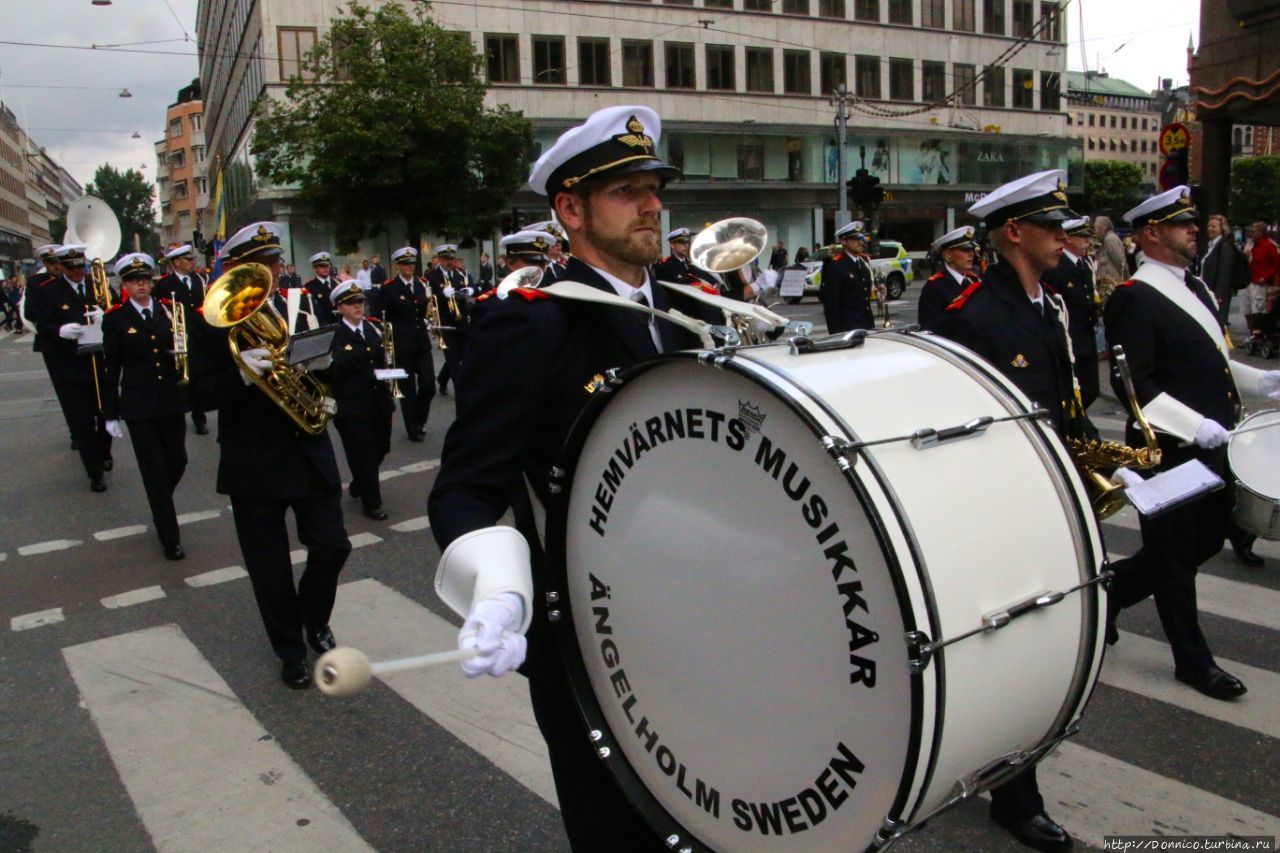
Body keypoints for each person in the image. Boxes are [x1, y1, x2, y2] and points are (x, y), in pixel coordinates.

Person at [427, 104, 724, 850]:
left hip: (708, 619)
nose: (653, 203)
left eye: (655, 186)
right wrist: (495, 588)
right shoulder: (531, 321)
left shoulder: (691, 311)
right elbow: (464, 484)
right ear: (571, 210)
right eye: (627, 190)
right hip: (597, 644)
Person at [936, 169, 1083, 853]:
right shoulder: (970, 312)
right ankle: (1014, 795)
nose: (1064, 237)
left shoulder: (1053, 301)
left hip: (1053, 498)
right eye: (1052, 227)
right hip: (997, 509)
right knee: (1012, 651)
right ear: (1013, 232)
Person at [1104, 188, 1280, 700]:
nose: (1194, 230)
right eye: (1182, 225)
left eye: (1193, 224)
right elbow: (1134, 383)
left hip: (1214, 444)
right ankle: (1193, 662)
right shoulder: (1132, 296)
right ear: (1151, 234)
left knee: (1205, 541)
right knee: (1176, 555)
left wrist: (1259, 382)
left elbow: (1215, 364)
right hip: (1168, 452)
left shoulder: (1195, 286)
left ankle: (1112, 592)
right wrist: (1193, 424)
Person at [187, 221, 351, 689]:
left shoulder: (301, 306)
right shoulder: (208, 320)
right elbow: (197, 394)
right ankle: (289, 649)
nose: (273, 272)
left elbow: (325, 370)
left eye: (276, 262)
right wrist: (241, 376)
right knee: (269, 564)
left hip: (307, 447)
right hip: (253, 456)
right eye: (261, 265)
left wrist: (325, 372)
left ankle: (314, 618)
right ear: (236, 269)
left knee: (332, 546)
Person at [102, 253, 189, 560]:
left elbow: (183, 352)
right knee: (153, 470)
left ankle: (160, 501)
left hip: (171, 400)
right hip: (139, 405)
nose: (141, 285)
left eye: (145, 280)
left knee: (178, 460)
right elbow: (110, 370)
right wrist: (109, 413)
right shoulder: (115, 319)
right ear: (124, 285)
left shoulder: (170, 311)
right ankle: (170, 537)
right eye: (133, 281)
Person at [26, 243, 113, 491]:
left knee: (106, 413)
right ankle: (94, 472)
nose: (77, 271)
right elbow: (38, 319)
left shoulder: (98, 286)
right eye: (71, 267)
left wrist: (107, 315)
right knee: (81, 421)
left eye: (80, 266)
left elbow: (118, 310)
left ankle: (104, 450)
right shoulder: (47, 290)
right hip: (68, 362)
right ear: (61, 267)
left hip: (98, 360)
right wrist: (58, 330)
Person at [328, 280, 394, 521]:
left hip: (379, 401)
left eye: (360, 302)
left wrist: (391, 371)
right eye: (351, 303)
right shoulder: (334, 335)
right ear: (339, 307)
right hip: (352, 406)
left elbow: (384, 359)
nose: (358, 306)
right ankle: (372, 502)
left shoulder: (374, 328)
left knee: (381, 448)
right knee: (363, 454)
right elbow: (331, 371)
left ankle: (360, 481)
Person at [1043, 217, 1101, 408]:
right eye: (1083, 237)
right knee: (1073, 391)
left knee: (1091, 390)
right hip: (1069, 337)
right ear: (1068, 238)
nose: (1088, 242)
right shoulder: (1057, 266)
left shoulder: (1084, 264)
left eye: (1088, 237)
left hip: (1086, 336)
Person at [379, 246, 435, 442]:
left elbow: (426, 308)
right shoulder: (389, 288)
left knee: (429, 385)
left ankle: (419, 418)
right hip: (402, 345)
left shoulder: (422, 284)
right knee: (408, 388)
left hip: (421, 343)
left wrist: (428, 320)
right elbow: (383, 317)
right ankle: (414, 429)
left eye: (412, 263)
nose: (409, 267)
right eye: (405, 264)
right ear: (398, 266)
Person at [154, 244, 210, 435]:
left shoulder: (198, 279)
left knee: (196, 376)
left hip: (197, 333)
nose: (192, 262)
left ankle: (199, 417)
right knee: (177, 377)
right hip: (176, 334)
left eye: (192, 259)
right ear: (177, 262)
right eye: (188, 260)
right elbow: (159, 310)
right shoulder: (164, 285)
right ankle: (174, 413)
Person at [917, 226, 979, 333]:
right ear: (948, 254)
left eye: (972, 249)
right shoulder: (934, 287)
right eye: (965, 249)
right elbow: (929, 329)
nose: (971, 254)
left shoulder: (974, 280)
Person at [819, 220, 875, 333]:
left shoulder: (863, 264)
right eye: (855, 239)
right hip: (847, 328)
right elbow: (831, 304)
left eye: (862, 239)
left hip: (865, 326)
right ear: (843, 241)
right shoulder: (836, 265)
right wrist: (836, 334)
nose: (861, 242)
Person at [427, 244, 468, 396]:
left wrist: (470, 291)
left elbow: (466, 294)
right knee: (452, 356)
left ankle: (443, 378)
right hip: (444, 321)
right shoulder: (431, 276)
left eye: (451, 258)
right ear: (439, 259)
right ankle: (461, 390)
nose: (449, 262)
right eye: (446, 259)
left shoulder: (460, 274)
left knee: (462, 354)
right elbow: (428, 299)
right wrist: (441, 294)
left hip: (461, 320)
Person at [1200, 214, 1244, 329]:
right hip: (1208, 293)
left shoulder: (1225, 247)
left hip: (1218, 296)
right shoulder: (1211, 246)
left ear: (1222, 229)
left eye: (1214, 226)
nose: (1210, 229)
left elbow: (1224, 273)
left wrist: (1218, 296)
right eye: (1209, 226)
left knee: (1217, 326)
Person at [1243, 221, 1278, 341]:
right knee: (1247, 308)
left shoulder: (1269, 245)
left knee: (1257, 309)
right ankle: (1251, 333)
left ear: (1261, 233)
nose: (1251, 233)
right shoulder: (1250, 244)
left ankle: (1258, 333)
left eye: (1254, 231)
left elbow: (1275, 264)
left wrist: (1266, 277)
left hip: (1260, 282)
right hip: (1248, 280)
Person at [652, 227, 718, 287]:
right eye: (682, 242)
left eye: (687, 242)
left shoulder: (692, 264)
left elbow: (711, 281)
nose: (686, 245)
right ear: (672, 245)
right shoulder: (665, 266)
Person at [303, 252, 338, 325]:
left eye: (327, 266)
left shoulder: (338, 283)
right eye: (322, 266)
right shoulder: (309, 287)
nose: (325, 268)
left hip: (339, 323)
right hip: (323, 325)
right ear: (315, 268)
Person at [1092, 216, 1128, 281]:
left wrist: (1126, 279)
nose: (1095, 231)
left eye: (1096, 228)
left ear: (1103, 228)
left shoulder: (1110, 239)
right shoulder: (1102, 239)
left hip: (1114, 281)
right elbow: (1095, 252)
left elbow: (1120, 261)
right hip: (1107, 282)